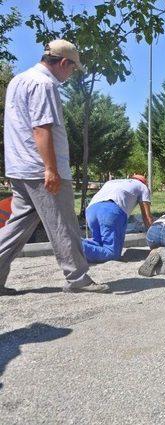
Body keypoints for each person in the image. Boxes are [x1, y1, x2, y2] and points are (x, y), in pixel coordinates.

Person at [0, 40, 107, 295]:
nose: (71, 75)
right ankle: (78, 277)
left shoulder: (19, 80)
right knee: (64, 223)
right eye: (72, 69)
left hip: (20, 166)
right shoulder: (44, 84)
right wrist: (51, 169)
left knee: (18, 226)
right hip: (40, 169)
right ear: (63, 63)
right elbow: (41, 128)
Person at [82, 175, 153, 263]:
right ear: (144, 182)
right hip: (111, 211)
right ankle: (76, 247)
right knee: (112, 253)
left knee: (99, 244)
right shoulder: (142, 187)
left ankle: (74, 241)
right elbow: (147, 217)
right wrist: (154, 240)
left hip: (91, 210)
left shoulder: (112, 182)